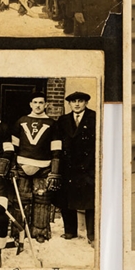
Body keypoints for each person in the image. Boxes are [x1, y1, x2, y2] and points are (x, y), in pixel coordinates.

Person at [6, 92, 62, 243]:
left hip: (43, 167)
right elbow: (13, 147)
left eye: (41, 102)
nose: (38, 105)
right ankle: (19, 231)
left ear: (46, 105)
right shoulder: (21, 121)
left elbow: (56, 148)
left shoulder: (52, 123)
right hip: (22, 165)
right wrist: (13, 166)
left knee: (42, 199)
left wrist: (54, 171)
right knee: (21, 200)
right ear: (30, 104)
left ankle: (40, 231)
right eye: (35, 102)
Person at [54, 91, 96, 245]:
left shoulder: (95, 118)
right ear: (69, 104)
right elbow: (58, 142)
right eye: (73, 101)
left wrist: (92, 164)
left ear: (86, 103)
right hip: (68, 166)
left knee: (90, 200)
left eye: (80, 101)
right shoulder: (63, 120)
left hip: (89, 166)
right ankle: (70, 231)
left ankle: (92, 235)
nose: (77, 104)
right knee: (67, 199)